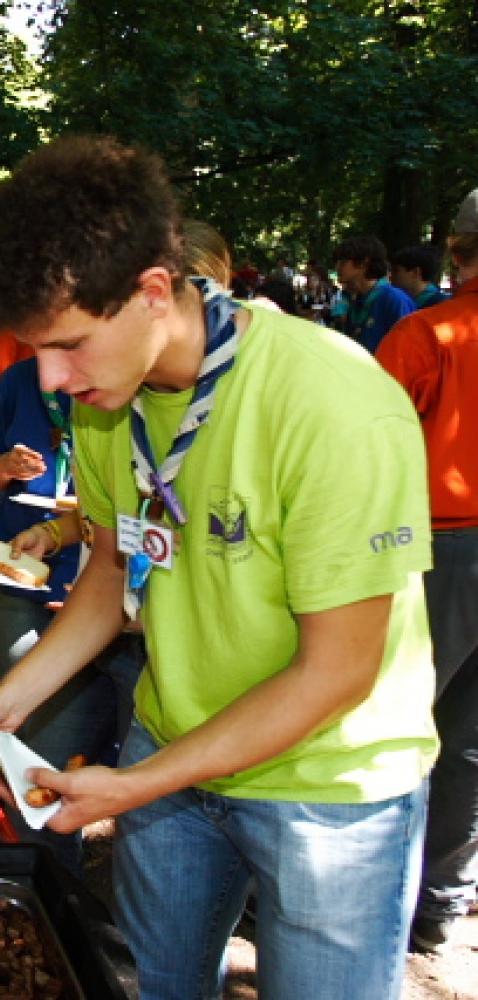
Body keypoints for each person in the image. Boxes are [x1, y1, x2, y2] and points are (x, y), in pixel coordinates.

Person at [0, 136, 437, 1000]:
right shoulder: (109, 403)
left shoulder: (332, 401)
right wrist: (2, 704)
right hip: (172, 749)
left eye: (68, 344)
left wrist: (136, 784)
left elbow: (338, 669)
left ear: (154, 291)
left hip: (329, 790)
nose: (50, 376)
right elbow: (109, 574)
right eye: (36, 348)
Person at [0, 354, 135, 872]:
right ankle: (51, 904)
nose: (51, 379)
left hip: (151, 655)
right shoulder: (96, 415)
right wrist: (54, 532)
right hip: (95, 635)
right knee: (33, 794)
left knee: (150, 841)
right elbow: (103, 532)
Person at [376, 196, 478, 954]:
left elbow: (368, 447)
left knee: (388, 728)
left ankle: (372, 901)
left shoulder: (427, 334)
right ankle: (441, 905)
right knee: (470, 740)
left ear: (457, 250)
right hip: (448, 546)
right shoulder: (428, 331)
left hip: (442, 552)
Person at [334, 233, 416, 353]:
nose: (337, 267)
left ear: (363, 263)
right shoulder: (356, 299)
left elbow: (409, 350)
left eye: (343, 262)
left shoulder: (394, 300)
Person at [390, 244, 451, 310]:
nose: (390, 276)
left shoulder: (441, 306)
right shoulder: (402, 301)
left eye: (396, 271)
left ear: (415, 272)